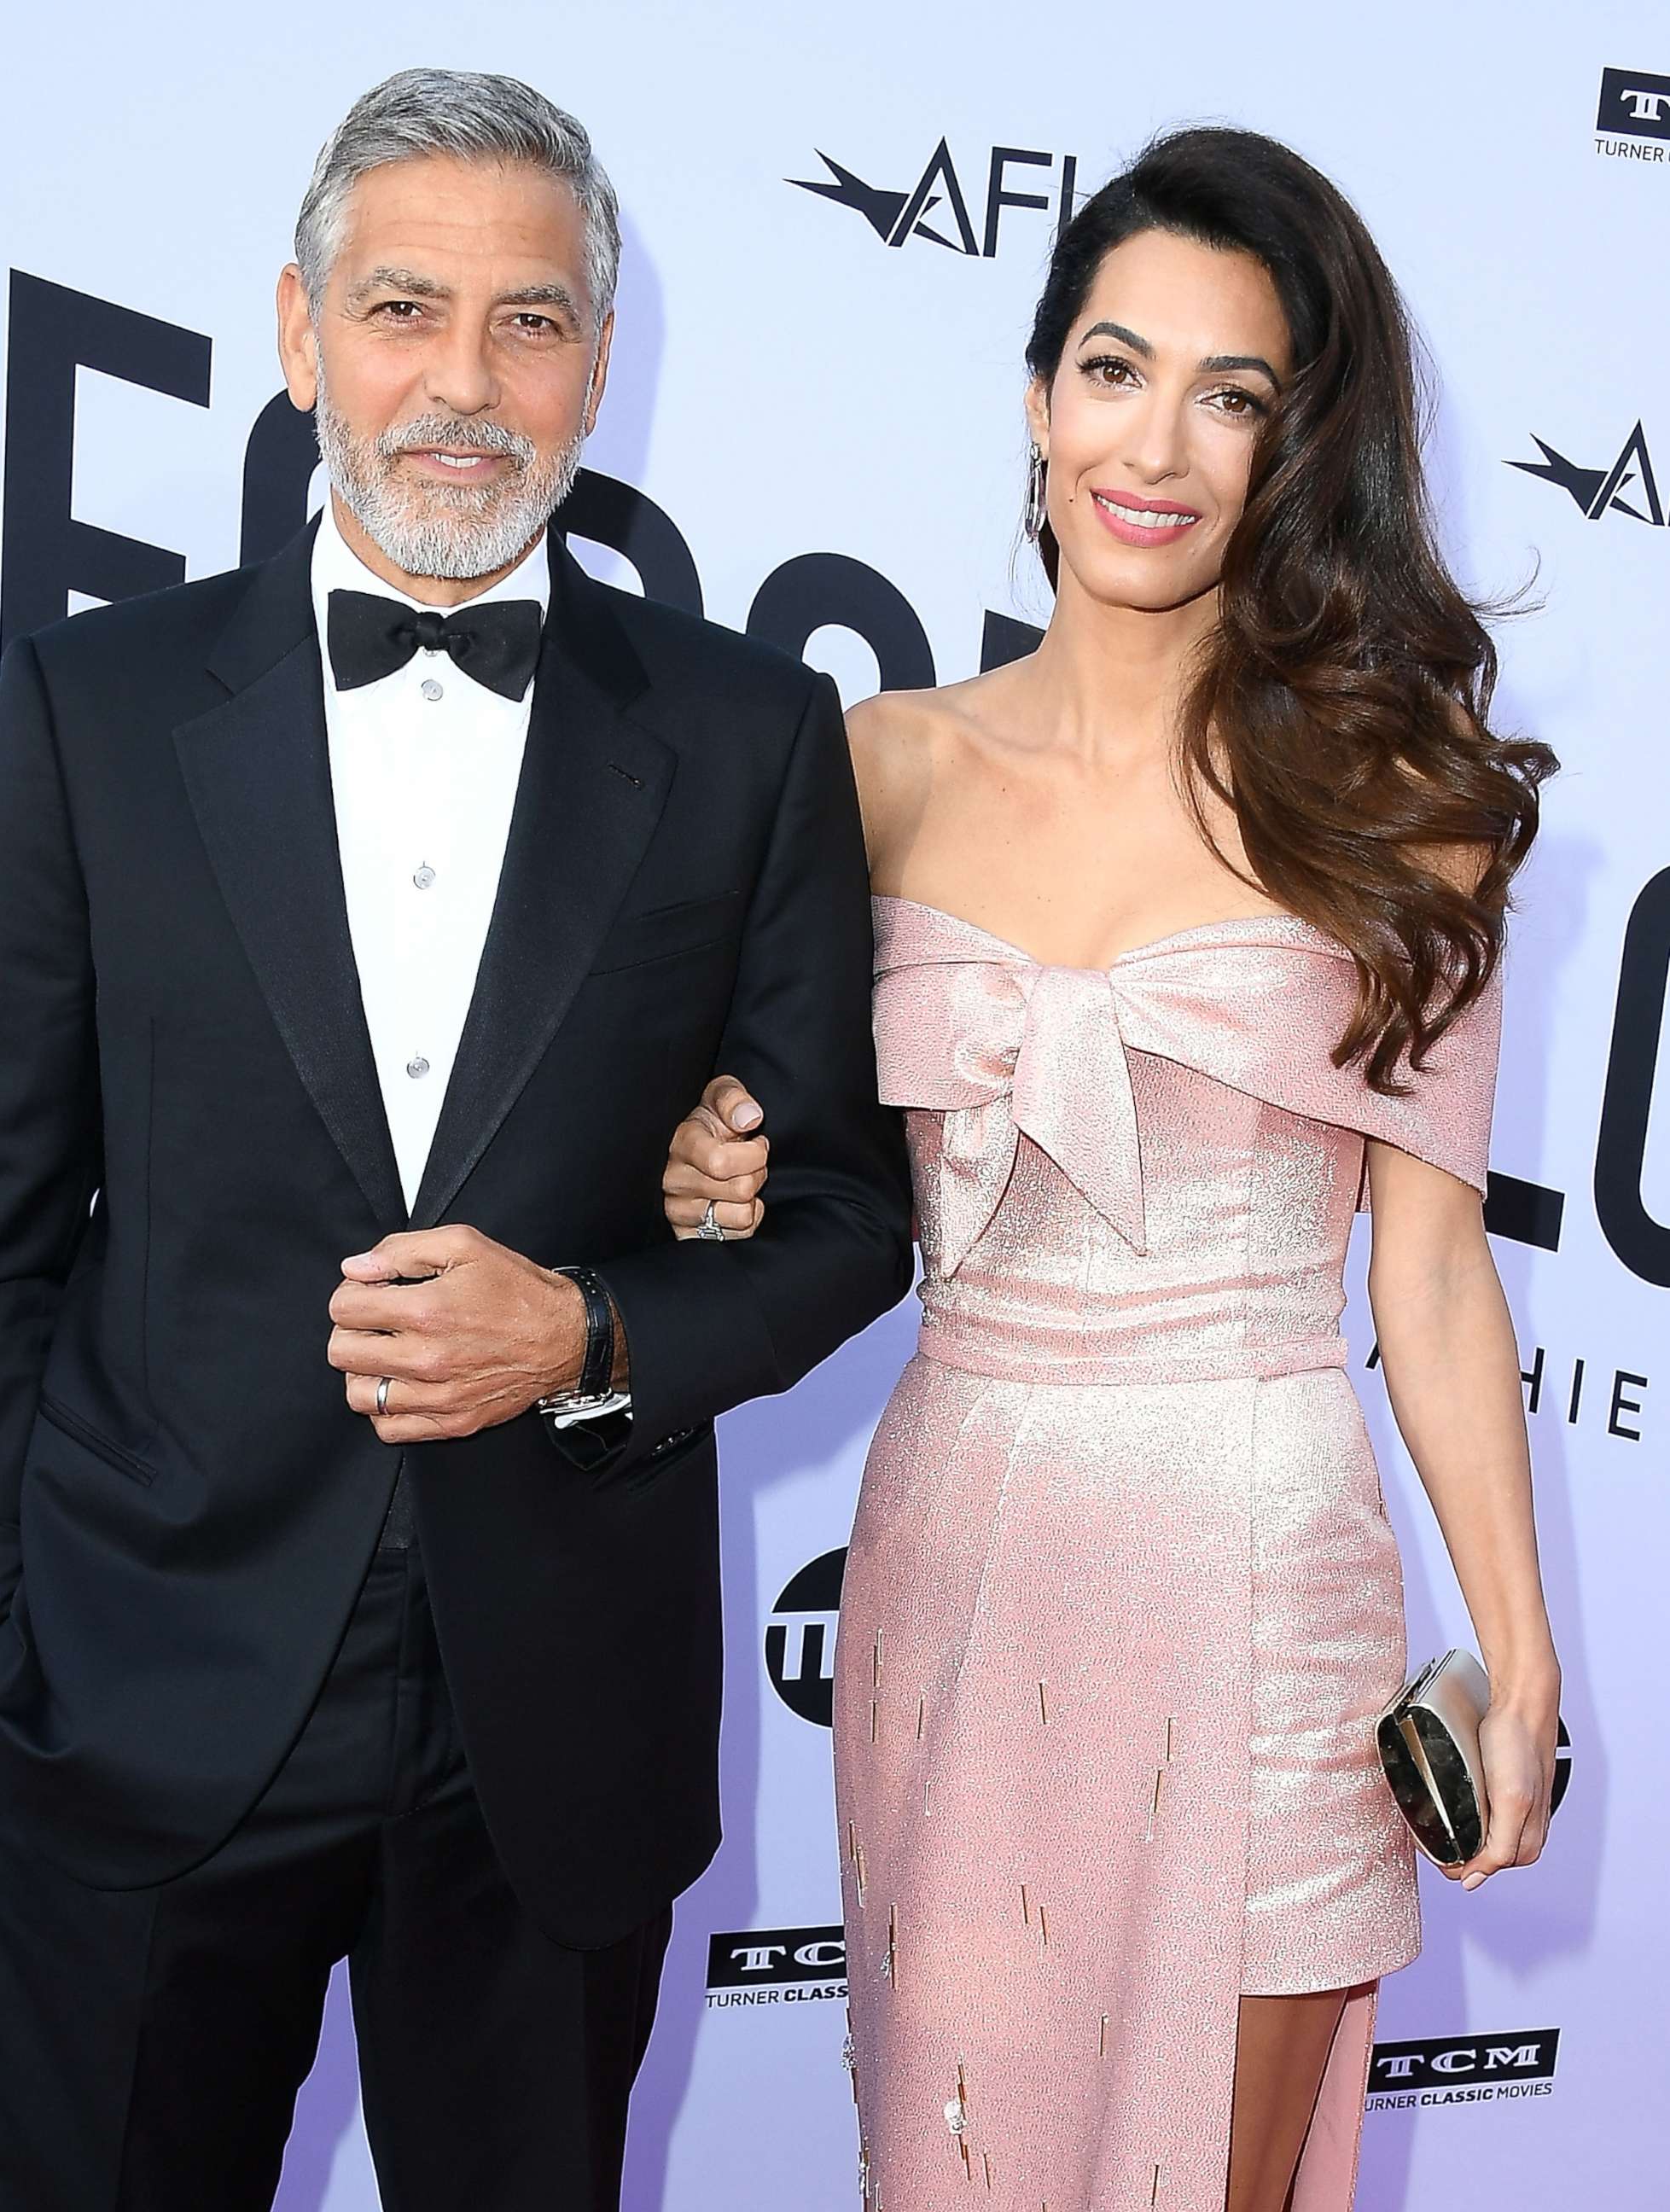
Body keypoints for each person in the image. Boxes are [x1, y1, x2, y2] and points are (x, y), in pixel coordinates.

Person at [0, 66, 911, 2212]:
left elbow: (836, 1218)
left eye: (528, 322)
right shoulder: (98, 707)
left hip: (551, 1727)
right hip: (144, 1693)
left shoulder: (744, 738)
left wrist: (593, 1332)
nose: (463, 384)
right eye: (402, 309)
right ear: (295, 333)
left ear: (600, 367)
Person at [662, 127, 1559, 2212]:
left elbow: (1427, 1282)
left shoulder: (1399, 804)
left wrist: (1518, 1670)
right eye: (1113, 368)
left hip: (1262, 1577)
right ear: (1037, 395)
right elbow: (771, 1174)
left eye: (1232, 394)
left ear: (1297, 446)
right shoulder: (872, 767)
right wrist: (713, 1161)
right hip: (964, 1564)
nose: (1156, 443)